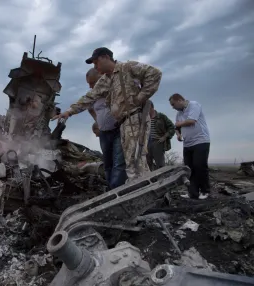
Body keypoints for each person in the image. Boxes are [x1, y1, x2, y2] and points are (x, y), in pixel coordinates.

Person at [52, 47, 162, 181]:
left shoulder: (127, 67)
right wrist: (69, 112)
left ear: (105, 57)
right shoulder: (105, 80)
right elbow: (89, 97)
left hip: (134, 118)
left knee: (135, 160)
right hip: (123, 123)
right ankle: (143, 190)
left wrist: (140, 97)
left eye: (96, 62)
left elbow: (155, 73)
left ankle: (143, 192)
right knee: (132, 162)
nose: (95, 66)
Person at [86, 68, 127, 189]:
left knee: (119, 162)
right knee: (107, 163)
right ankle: (110, 189)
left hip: (118, 130)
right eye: (88, 84)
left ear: (100, 77)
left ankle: (117, 191)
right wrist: (98, 121)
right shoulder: (93, 94)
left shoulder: (113, 88)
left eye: (92, 82)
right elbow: (89, 108)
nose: (90, 86)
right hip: (104, 132)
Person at [169, 93, 210, 200]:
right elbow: (176, 127)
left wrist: (178, 124)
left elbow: (191, 121)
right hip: (187, 144)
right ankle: (193, 193)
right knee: (189, 169)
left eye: (173, 104)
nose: (173, 107)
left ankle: (205, 191)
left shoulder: (194, 105)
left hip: (200, 141)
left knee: (200, 166)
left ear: (179, 100)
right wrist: (178, 135)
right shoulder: (179, 113)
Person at [147, 102, 175, 170]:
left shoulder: (161, 116)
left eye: (148, 109)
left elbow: (172, 127)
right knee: (148, 164)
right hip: (146, 143)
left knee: (160, 165)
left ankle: (164, 179)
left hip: (157, 142)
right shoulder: (144, 118)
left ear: (152, 108)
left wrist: (165, 137)